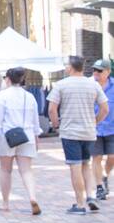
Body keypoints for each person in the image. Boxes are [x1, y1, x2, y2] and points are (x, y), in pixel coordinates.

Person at [47, 55, 108, 214]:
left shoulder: (61, 85)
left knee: (75, 166)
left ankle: (80, 204)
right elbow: (105, 108)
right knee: (85, 164)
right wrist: (95, 122)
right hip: (89, 132)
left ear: (70, 68)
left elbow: (52, 109)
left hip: (70, 132)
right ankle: (91, 196)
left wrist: (55, 125)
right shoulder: (93, 85)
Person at [0, 67, 43, 215]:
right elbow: (35, 119)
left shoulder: (2, 96)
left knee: (5, 170)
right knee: (26, 170)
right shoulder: (29, 96)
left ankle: (5, 203)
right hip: (27, 135)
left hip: (7, 135)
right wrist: (37, 136)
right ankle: (32, 197)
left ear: (8, 79)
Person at [92, 59, 114, 199]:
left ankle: (105, 175)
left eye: (99, 71)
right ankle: (99, 187)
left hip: (112, 128)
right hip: (94, 128)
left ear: (108, 72)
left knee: (112, 157)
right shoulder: (89, 85)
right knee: (97, 157)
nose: (96, 73)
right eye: (95, 70)